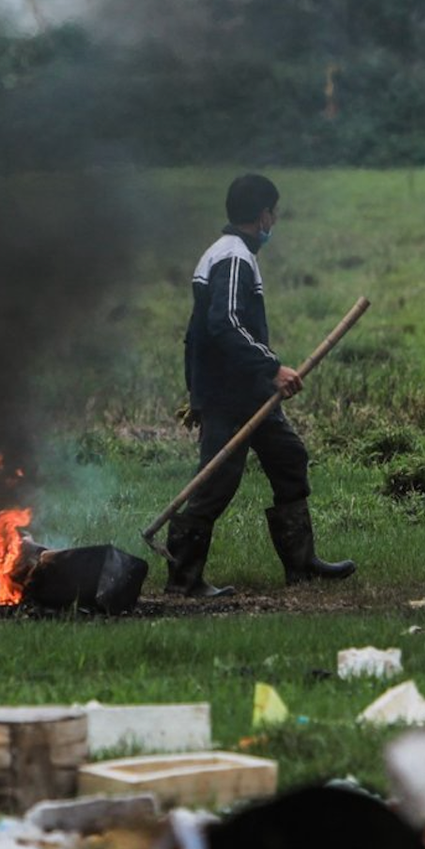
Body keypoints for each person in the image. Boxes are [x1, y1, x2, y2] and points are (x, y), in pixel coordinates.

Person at [164, 173, 356, 598]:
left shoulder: (233, 254)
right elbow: (223, 323)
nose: (276, 221)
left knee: (289, 457)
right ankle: (183, 580)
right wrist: (272, 367)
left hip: (248, 391)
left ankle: (302, 566)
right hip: (231, 393)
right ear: (264, 213)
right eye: (275, 212)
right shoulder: (232, 257)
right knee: (215, 483)